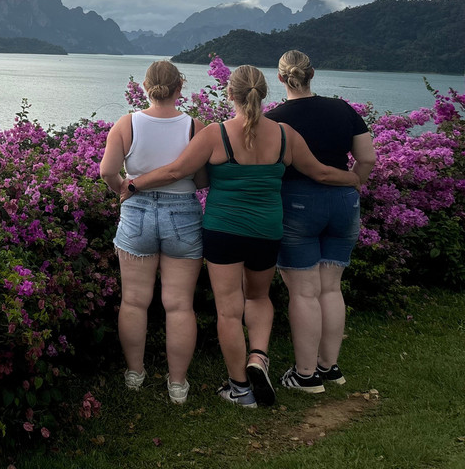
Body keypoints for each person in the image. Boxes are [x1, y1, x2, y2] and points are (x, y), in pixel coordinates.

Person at [120, 65, 360, 408]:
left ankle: (239, 387)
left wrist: (133, 184)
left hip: (223, 232)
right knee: (259, 298)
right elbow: (320, 173)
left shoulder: (214, 134)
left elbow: (176, 171)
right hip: (267, 231)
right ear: (263, 94)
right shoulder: (284, 135)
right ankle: (258, 356)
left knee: (229, 310)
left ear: (229, 95)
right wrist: (351, 178)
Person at [265, 50, 376, 393]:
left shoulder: (274, 118)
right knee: (330, 287)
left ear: (281, 78)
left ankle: (306, 374)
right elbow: (367, 158)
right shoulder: (343, 109)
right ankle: (330, 367)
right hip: (344, 203)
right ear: (313, 74)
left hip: (297, 203)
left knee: (303, 292)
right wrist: (352, 181)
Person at [99, 61, 207, 405]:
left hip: (137, 212)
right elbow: (203, 180)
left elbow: (106, 171)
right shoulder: (195, 127)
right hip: (183, 215)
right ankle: (177, 385)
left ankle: (135, 374)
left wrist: (123, 189)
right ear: (180, 88)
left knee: (133, 301)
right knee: (178, 305)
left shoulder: (127, 123)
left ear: (146, 87)